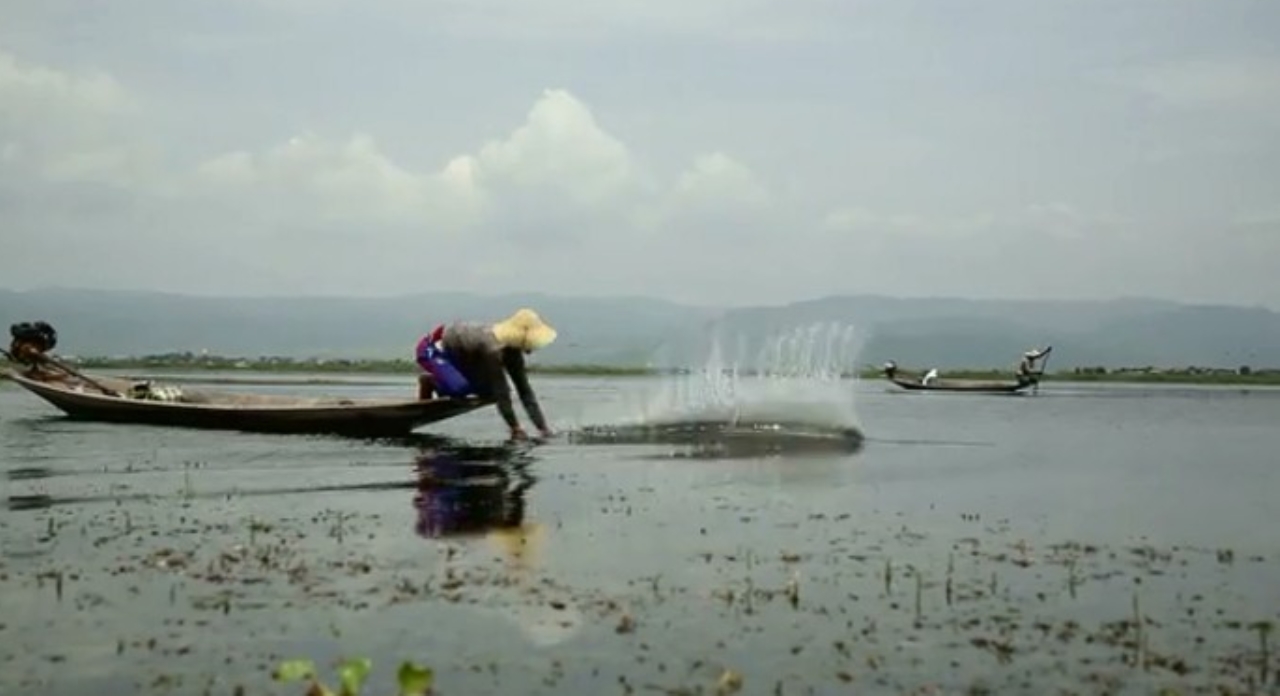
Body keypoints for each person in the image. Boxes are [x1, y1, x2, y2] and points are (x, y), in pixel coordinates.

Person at [415, 308, 557, 441]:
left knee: (489, 393)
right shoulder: (492, 349)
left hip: (468, 356)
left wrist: (543, 428)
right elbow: (501, 390)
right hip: (437, 347)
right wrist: (515, 428)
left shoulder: (514, 354)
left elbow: (525, 391)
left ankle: (450, 379)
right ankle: (430, 381)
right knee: (460, 389)